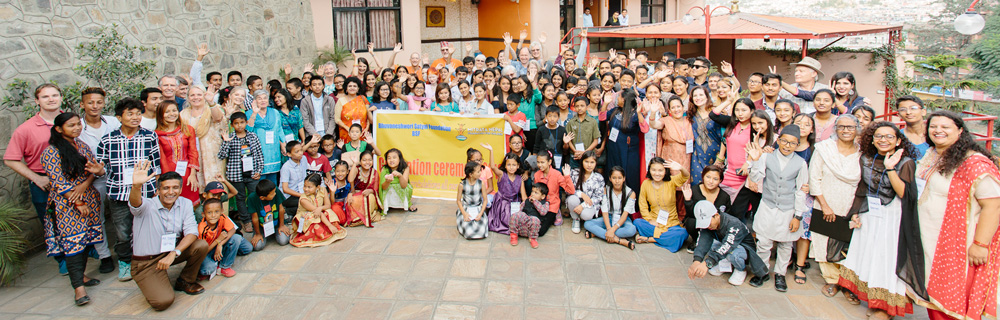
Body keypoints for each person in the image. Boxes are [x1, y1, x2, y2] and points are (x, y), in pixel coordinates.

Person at [906, 111, 1000, 320]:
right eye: (933, 127)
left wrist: (980, 244)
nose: (938, 130)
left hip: (958, 245)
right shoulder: (933, 154)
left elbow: (993, 205)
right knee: (933, 294)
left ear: (959, 131)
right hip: (929, 238)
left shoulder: (973, 163)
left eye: (945, 127)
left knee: (953, 299)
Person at [837, 121, 917, 319]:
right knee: (868, 253)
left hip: (892, 216)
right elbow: (863, 188)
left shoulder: (905, 162)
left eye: (889, 136)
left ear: (898, 140)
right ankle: (871, 297)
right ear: (872, 139)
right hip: (870, 212)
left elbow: (904, 194)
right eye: (879, 136)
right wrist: (855, 212)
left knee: (885, 257)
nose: (883, 140)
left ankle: (886, 307)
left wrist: (890, 168)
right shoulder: (867, 158)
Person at [41, 112, 106, 306]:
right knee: (73, 244)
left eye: (78, 124)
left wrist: (86, 184)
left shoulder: (82, 146)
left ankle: (82, 277)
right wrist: (78, 202)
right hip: (67, 205)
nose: (77, 128)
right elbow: (59, 182)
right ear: (59, 129)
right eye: (71, 125)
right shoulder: (51, 152)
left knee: (86, 241)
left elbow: (93, 170)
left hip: (89, 199)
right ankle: (79, 289)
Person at [97, 98, 163, 282]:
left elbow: (156, 165)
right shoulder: (108, 139)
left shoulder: (149, 136)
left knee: (148, 226)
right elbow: (102, 166)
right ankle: (126, 262)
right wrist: (97, 170)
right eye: (130, 113)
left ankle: (149, 259)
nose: (135, 117)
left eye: (138, 113)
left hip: (145, 192)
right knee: (123, 231)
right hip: (119, 193)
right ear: (119, 117)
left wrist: (157, 186)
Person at [4, 84, 67, 273]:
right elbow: (10, 159)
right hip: (44, 182)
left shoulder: (71, 121)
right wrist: (36, 179)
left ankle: (82, 253)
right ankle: (62, 260)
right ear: (37, 101)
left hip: (71, 179)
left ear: (61, 97)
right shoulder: (26, 129)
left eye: (55, 95)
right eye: (45, 96)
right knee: (52, 222)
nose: (51, 99)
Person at [127, 167, 209, 311]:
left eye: (175, 187)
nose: (171, 192)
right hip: (146, 262)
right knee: (163, 302)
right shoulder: (147, 205)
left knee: (200, 245)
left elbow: (191, 232)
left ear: (181, 189)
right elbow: (135, 203)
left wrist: (174, 253)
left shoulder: (185, 203)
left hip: (169, 252)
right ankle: (154, 278)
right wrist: (136, 186)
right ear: (158, 190)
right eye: (166, 188)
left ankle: (185, 281)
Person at [744, 125, 809, 292]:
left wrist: (798, 216)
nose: (787, 146)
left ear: (797, 145)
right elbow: (756, 177)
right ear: (778, 140)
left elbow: (801, 190)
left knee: (786, 244)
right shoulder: (767, 157)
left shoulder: (801, 164)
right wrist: (754, 160)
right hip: (768, 205)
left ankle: (780, 274)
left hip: (788, 209)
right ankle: (762, 271)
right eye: (784, 141)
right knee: (764, 242)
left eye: (792, 143)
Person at [808, 114, 862, 304]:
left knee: (850, 244)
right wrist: (824, 205)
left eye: (850, 127)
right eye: (841, 127)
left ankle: (847, 283)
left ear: (857, 129)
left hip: (852, 204)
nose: (846, 130)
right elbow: (814, 177)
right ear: (835, 129)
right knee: (824, 241)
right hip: (825, 202)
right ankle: (832, 280)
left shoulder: (862, 153)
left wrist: (858, 209)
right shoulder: (824, 149)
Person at [77, 87, 119, 274]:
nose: (95, 106)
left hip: (116, 175)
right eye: (90, 102)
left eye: (99, 102)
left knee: (123, 214)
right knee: (97, 217)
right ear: (82, 104)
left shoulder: (112, 122)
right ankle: (104, 255)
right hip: (92, 180)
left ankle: (126, 250)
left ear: (104, 103)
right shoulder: (77, 127)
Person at [687, 200, 768, 286]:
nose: (707, 226)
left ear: (716, 215)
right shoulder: (709, 226)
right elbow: (703, 242)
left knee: (733, 254)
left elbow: (727, 246)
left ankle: (740, 270)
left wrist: (708, 263)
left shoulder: (734, 224)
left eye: (708, 222)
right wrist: (697, 260)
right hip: (727, 244)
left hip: (743, 249)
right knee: (711, 244)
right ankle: (724, 264)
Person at [217, 112, 264, 233]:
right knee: (240, 197)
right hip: (236, 174)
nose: (239, 126)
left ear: (246, 123)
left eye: (242, 122)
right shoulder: (230, 137)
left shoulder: (252, 136)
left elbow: (259, 155)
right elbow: (222, 155)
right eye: (236, 123)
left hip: (252, 173)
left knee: (254, 196)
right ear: (232, 125)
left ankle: (258, 218)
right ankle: (246, 220)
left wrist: (259, 170)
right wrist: (226, 141)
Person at [635, 157, 690, 252]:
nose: (657, 173)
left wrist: (680, 168)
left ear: (665, 171)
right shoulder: (645, 184)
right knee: (637, 223)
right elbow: (642, 205)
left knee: (683, 233)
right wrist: (650, 220)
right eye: (654, 170)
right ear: (649, 170)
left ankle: (650, 239)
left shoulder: (671, 181)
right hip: (654, 223)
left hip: (672, 224)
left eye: (660, 170)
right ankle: (666, 238)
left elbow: (685, 176)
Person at [180, 85, 227, 191]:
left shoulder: (212, 108)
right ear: (188, 98)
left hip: (212, 153)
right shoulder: (183, 114)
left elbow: (219, 118)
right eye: (192, 95)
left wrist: (211, 102)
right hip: (193, 154)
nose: (196, 97)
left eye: (199, 94)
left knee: (215, 184)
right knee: (196, 184)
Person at [154, 100, 201, 205]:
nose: (171, 114)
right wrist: (167, 181)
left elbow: (193, 152)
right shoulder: (156, 135)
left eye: (174, 110)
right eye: (167, 112)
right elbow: (162, 160)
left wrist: (193, 174)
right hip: (168, 175)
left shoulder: (188, 129)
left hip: (188, 174)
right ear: (161, 114)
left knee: (190, 205)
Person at [196, 198, 251, 280]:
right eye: (209, 213)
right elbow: (203, 251)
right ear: (203, 214)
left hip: (218, 244)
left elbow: (232, 229)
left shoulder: (222, 217)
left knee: (239, 241)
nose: (213, 215)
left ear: (222, 211)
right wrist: (218, 241)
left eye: (216, 212)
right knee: (207, 270)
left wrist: (220, 244)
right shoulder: (202, 228)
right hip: (206, 251)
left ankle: (224, 266)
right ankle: (218, 262)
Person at [681, 165, 732, 252]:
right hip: (698, 224)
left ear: (720, 181)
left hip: (715, 227)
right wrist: (688, 200)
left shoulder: (724, 196)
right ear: (703, 177)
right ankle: (696, 240)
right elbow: (690, 214)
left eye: (715, 179)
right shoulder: (695, 190)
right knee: (690, 222)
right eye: (708, 177)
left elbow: (726, 215)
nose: (710, 181)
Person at [584, 166, 637, 249]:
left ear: (624, 179)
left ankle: (597, 234)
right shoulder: (606, 189)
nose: (617, 181)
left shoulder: (631, 193)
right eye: (614, 178)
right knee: (587, 224)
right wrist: (609, 228)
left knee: (632, 230)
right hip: (609, 217)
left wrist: (612, 230)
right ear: (610, 178)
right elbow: (605, 211)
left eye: (619, 178)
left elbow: (625, 214)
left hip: (622, 219)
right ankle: (619, 240)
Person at [606, 89, 647, 192]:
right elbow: (602, 118)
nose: (617, 99)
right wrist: (605, 104)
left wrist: (639, 113)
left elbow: (645, 129)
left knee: (628, 176)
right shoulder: (615, 110)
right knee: (613, 173)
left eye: (619, 97)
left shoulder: (634, 114)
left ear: (624, 100)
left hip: (628, 150)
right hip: (613, 149)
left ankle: (631, 202)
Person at [290, 174, 348, 247]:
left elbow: (328, 205)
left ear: (317, 187)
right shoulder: (303, 199)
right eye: (305, 186)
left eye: (309, 187)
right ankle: (321, 234)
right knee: (313, 217)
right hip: (306, 217)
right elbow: (315, 211)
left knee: (329, 212)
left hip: (319, 212)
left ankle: (327, 230)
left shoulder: (322, 189)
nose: (306, 189)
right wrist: (329, 225)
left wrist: (320, 208)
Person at [246, 89, 287, 185]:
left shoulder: (275, 112)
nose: (263, 100)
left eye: (265, 98)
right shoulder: (249, 113)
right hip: (258, 151)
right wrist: (254, 113)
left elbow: (279, 129)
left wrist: (283, 144)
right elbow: (248, 130)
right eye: (259, 98)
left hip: (273, 151)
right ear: (255, 101)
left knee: (273, 182)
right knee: (260, 183)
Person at [689, 86, 724, 186]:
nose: (698, 98)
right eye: (695, 95)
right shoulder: (690, 115)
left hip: (716, 155)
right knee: (697, 186)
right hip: (697, 157)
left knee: (715, 185)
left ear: (707, 97)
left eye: (701, 95)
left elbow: (724, 137)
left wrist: (720, 157)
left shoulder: (716, 112)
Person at [487, 152, 527, 235]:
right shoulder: (502, 175)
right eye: (509, 165)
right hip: (502, 203)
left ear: (518, 166)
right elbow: (493, 167)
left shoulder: (520, 179)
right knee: (507, 219)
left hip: (515, 203)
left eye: (514, 165)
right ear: (505, 166)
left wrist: (526, 205)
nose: (511, 167)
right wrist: (491, 151)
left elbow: (524, 197)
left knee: (519, 219)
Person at [565, 151, 604, 233]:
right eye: (586, 161)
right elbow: (568, 190)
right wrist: (582, 194)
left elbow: (598, 197)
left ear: (596, 163)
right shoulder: (575, 173)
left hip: (589, 204)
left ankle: (583, 217)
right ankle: (576, 219)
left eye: (592, 162)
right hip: (576, 202)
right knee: (572, 200)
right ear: (582, 161)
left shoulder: (599, 178)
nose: (589, 165)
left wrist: (582, 206)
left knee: (586, 215)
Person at [247, 179, 291, 251]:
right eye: (272, 194)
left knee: (283, 241)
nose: (275, 194)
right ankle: (265, 234)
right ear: (262, 197)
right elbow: (255, 218)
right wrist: (258, 234)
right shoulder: (252, 198)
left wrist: (282, 225)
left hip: (277, 223)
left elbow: (281, 209)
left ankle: (275, 232)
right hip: (262, 226)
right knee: (257, 246)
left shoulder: (275, 190)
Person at [347, 150, 382, 227]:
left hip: (368, 195)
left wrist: (370, 190)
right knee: (353, 200)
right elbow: (350, 179)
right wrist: (354, 164)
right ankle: (360, 218)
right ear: (360, 161)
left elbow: (376, 190)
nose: (367, 162)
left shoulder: (374, 172)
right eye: (364, 160)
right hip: (356, 195)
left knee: (369, 198)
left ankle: (362, 217)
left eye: (370, 160)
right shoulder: (356, 169)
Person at [456, 162, 489, 240]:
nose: (480, 173)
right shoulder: (462, 184)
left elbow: (485, 200)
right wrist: (464, 214)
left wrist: (481, 213)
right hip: (466, 209)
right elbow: (458, 201)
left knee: (482, 231)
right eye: (478, 172)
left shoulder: (481, 183)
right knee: (468, 232)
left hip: (478, 209)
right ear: (471, 174)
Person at [379, 148, 416, 213]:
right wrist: (388, 181)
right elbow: (383, 187)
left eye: (394, 158)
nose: (391, 160)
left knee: (404, 189)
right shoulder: (384, 169)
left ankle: (408, 204)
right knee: (390, 188)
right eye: (389, 158)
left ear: (400, 159)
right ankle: (389, 205)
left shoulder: (405, 168)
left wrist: (400, 176)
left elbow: (404, 186)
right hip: (388, 189)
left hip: (402, 188)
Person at [334, 77, 371, 142]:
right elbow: (337, 119)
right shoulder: (341, 100)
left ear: (358, 88)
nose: (352, 88)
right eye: (350, 86)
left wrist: (366, 128)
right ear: (346, 88)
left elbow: (368, 116)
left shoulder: (363, 99)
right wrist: (348, 129)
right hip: (347, 133)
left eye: (354, 86)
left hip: (362, 133)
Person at [280, 141, 308, 220]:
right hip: (288, 196)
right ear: (289, 154)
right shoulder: (286, 167)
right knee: (305, 203)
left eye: (301, 150)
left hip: (301, 190)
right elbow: (285, 189)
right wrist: (302, 196)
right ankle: (287, 211)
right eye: (297, 152)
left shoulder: (303, 159)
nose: (300, 153)